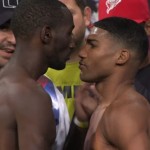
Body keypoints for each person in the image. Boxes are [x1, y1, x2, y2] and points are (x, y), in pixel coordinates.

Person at [0, 0, 74, 149]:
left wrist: (79, 124)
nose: (72, 43)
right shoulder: (30, 96)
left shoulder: (6, 82)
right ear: (46, 34)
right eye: (68, 33)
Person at [78, 16, 150, 150]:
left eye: (92, 45)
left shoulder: (126, 112)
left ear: (121, 57)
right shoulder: (105, 107)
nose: (82, 53)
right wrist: (81, 121)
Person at [46, 0, 92, 120]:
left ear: (86, 16)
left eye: (68, 13)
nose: (61, 22)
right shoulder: (36, 68)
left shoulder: (103, 67)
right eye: (53, 15)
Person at [98, 0, 150, 101]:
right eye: (107, 32)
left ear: (148, 27)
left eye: (125, 31)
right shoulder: (96, 78)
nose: (116, 40)